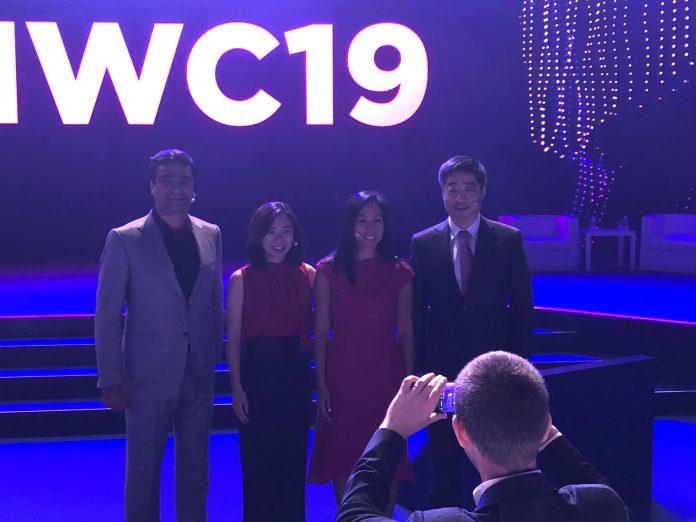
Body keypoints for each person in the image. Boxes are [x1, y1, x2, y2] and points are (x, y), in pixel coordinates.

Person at [336, 351, 631, 521]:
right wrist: (549, 435)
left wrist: (392, 429)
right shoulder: (601, 506)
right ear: (547, 426)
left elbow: (352, 515)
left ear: (460, 432)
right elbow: (599, 486)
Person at [95, 149, 224, 521]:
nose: (176, 188)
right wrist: (110, 377)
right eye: (167, 180)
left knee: (196, 475)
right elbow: (107, 313)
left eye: (184, 180)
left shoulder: (211, 234)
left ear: (194, 187)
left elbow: (212, 300)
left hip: (197, 373)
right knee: (144, 475)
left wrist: (212, 355)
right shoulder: (125, 239)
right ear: (151, 186)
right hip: (146, 378)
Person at [410, 155, 534, 508]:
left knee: (497, 460)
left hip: (495, 370)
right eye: (452, 189)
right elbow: (416, 313)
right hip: (442, 372)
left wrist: (519, 368)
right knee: (443, 460)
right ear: (442, 194)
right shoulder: (423, 242)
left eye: (468, 189)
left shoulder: (507, 239)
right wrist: (420, 370)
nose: (460, 197)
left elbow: (522, 308)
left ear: (483, 193)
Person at [307, 191, 415, 513]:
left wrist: (409, 383)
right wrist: (321, 383)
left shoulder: (400, 272)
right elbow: (320, 331)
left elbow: (406, 331)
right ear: (350, 224)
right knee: (343, 455)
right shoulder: (328, 270)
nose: (370, 227)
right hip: (342, 376)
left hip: (385, 375)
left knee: (387, 453)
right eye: (362, 220)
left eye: (377, 220)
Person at [226, 202, 315, 521]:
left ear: (295, 236)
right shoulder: (241, 278)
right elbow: (233, 339)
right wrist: (237, 387)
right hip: (258, 379)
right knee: (258, 466)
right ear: (258, 236)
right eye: (271, 231)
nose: (279, 239)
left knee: (292, 464)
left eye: (285, 231)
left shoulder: (309, 274)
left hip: (295, 378)